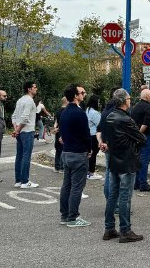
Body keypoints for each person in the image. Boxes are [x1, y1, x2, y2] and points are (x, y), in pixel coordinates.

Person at [103, 88, 146, 243]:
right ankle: (125, 230)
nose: (130, 101)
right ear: (123, 101)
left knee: (112, 196)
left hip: (114, 160)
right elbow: (141, 138)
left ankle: (109, 228)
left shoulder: (110, 117)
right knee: (125, 197)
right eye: (128, 99)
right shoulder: (125, 119)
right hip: (127, 161)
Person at [59, 84, 92, 227]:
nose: (83, 95)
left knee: (66, 185)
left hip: (66, 152)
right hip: (78, 153)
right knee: (77, 187)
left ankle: (65, 215)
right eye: (81, 93)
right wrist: (89, 149)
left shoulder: (64, 112)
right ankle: (73, 217)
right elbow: (86, 134)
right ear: (75, 96)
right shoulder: (80, 113)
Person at [11, 81, 39, 188]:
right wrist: (17, 130)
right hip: (27, 131)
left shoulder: (20, 100)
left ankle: (18, 180)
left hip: (20, 131)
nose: (36, 89)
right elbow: (25, 118)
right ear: (29, 89)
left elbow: (14, 116)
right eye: (35, 87)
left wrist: (16, 129)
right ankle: (25, 181)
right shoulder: (29, 101)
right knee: (26, 156)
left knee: (19, 156)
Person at [131, 89, 150, 192]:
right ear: (146, 96)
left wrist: (135, 136)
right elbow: (145, 124)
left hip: (136, 137)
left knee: (137, 160)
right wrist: (139, 135)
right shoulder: (148, 108)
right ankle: (143, 184)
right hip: (145, 137)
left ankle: (136, 183)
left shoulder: (135, 107)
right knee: (144, 161)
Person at [86, 95, 103, 180]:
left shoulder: (86, 111)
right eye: (98, 102)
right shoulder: (95, 113)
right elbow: (100, 125)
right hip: (94, 136)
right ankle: (91, 172)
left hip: (87, 135)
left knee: (89, 154)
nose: (99, 104)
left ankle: (87, 171)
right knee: (93, 154)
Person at [53, 97, 68, 173]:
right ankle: (62, 167)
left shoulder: (58, 111)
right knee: (63, 149)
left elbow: (56, 121)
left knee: (58, 149)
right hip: (63, 131)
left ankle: (56, 167)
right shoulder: (66, 111)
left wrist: (55, 127)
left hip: (57, 132)